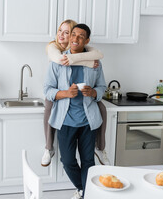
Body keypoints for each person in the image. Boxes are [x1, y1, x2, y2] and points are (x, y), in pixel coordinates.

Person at [44, 23, 107, 199]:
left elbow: (102, 86)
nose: (75, 39)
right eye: (73, 35)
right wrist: (65, 93)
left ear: (87, 40)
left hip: (89, 120)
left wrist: (94, 92)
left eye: (81, 36)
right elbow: (47, 89)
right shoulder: (58, 61)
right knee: (68, 161)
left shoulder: (94, 63)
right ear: (69, 37)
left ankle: (85, 194)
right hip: (65, 120)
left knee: (88, 161)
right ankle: (87, 190)